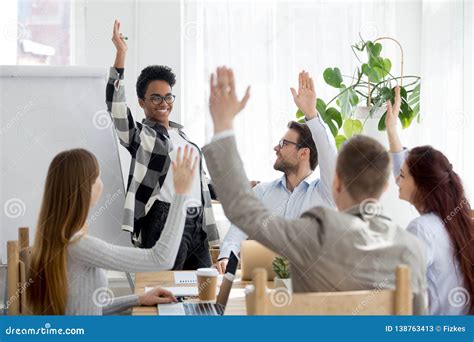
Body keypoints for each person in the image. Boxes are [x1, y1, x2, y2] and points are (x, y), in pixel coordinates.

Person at [203, 66, 428, 314]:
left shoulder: (314, 236)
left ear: (336, 183)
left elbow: (241, 209)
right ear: (386, 186)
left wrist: (223, 126)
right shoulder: (412, 249)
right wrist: (311, 114)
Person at [27, 146, 197, 315]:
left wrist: (139, 299)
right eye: (97, 177)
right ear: (85, 188)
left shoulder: (55, 240)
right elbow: (161, 259)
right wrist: (181, 194)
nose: (101, 183)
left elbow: (90, 305)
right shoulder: (79, 246)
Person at [106, 20, 218, 269]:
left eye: (168, 96)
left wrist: (239, 188)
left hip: (196, 220)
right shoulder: (142, 136)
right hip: (164, 219)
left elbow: (200, 184)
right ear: (141, 102)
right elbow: (115, 106)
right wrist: (121, 54)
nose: (163, 102)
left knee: (201, 292)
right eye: (155, 97)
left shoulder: (183, 137)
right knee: (166, 292)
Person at [215, 70, 337, 273]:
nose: (276, 148)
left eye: (284, 143)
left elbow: (329, 155)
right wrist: (227, 255)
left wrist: (311, 115)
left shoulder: (324, 193)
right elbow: (238, 228)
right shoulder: (262, 192)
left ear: (303, 153)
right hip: (265, 287)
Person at [385, 86, 474, 315]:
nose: (396, 179)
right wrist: (392, 131)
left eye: (402, 176)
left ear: (423, 186)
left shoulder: (422, 229)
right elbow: (409, 170)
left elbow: (398, 289)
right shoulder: (456, 221)